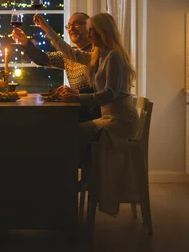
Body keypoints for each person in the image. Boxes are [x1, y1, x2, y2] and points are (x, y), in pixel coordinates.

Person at [31, 12, 139, 162]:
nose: (89, 35)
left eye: (92, 30)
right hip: (109, 118)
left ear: (104, 31)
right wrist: (47, 29)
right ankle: (87, 177)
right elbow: (70, 53)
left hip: (119, 122)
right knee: (70, 134)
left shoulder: (113, 56)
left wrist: (77, 96)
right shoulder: (101, 55)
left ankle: (84, 178)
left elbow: (109, 94)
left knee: (71, 135)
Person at [11, 12, 101, 122]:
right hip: (77, 111)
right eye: (69, 25)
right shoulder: (69, 54)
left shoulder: (98, 53)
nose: (71, 28)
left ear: (90, 28)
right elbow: (43, 59)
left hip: (94, 114)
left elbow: (102, 93)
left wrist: (76, 93)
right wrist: (25, 42)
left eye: (77, 24)